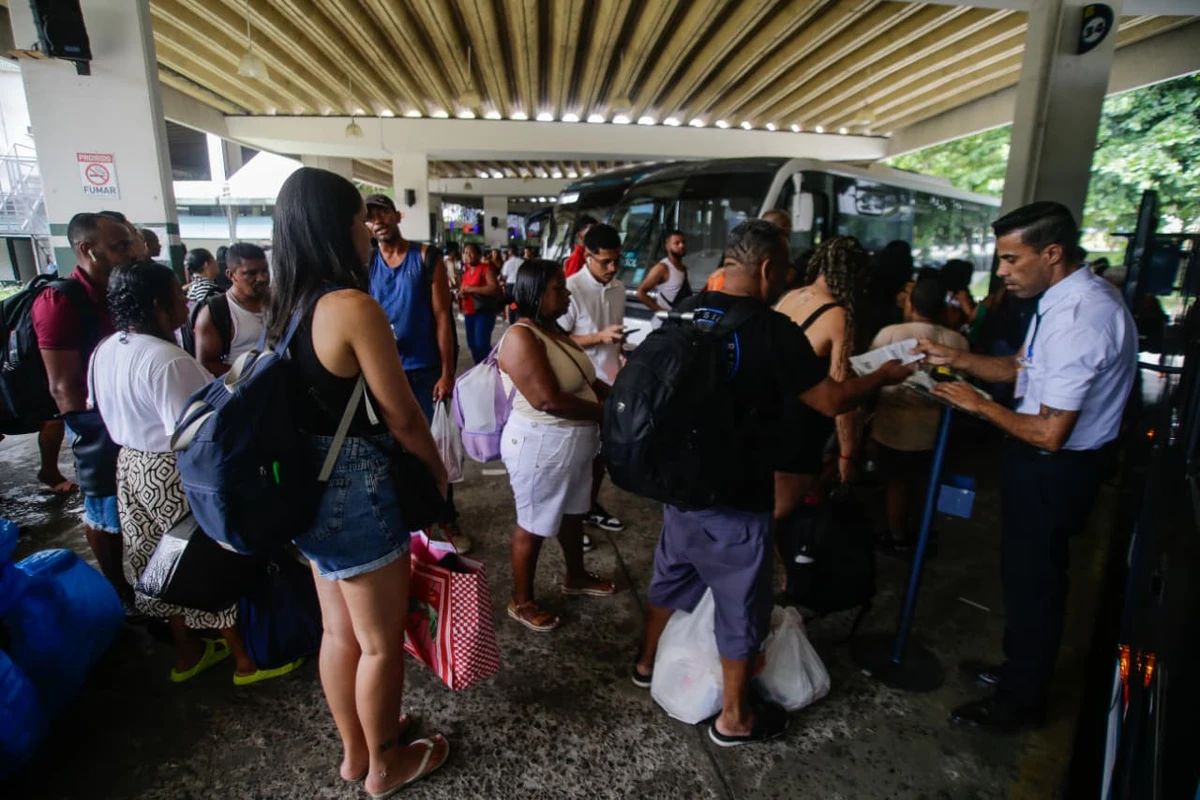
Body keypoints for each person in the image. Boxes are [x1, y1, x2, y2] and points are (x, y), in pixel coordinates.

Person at [631, 220, 910, 745]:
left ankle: (646, 663)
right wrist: (883, 377)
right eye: (783, 270)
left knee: (671, 578)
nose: (787, 279)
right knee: (741, 605)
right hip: (736, 493)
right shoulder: (768, 328)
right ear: (765, 269)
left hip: (678, 487)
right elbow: (830, 400)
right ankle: (735, 718)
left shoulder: (686, 308)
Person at [915, 201, 1136, 732]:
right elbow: (1021, 369)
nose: (1003, 272)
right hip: (1037, 463)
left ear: (1052, 253)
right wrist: (962, 361)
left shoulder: (1082, 319)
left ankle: (1021, 701)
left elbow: (1050, 431)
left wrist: (977, 404)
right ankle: (1018, 670)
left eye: (1012, 260)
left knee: (1036, 585)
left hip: (1054, 468)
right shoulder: (1062, 301)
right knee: (1022, 577)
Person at [272, 167, 451, 793]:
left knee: (339, 632)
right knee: (379, 645)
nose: (367, 232)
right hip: (355, 486)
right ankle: (384, 768)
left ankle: (355, 752)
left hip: (307, 486)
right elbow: (401, 413)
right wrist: (437, 470)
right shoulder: (352, 306)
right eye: (358, 220)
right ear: (337, 225)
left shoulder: (285, 303)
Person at [92, 260, 300, 685]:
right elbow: (198, 431)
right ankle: (247, 661)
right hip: (172, 468)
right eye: (177, 294)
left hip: (130, 464)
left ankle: (188, 653)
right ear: (157, 304)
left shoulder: (107, 348)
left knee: (157, 561)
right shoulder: (167, 360)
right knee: (206, 558)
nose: (186, 299)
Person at [497, 260, 617, 632]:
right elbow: (547, 400)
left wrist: (620, 403)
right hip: (540, 445)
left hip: (574, 445)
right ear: (534, 293)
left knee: (572, 514)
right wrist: (606, 414)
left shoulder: (554, 331)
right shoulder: (520, 337)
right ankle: (521, 600)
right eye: (558, 289)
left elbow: (587, 378)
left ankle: (575, 576)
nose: (566, 294)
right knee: (533, 524)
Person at [33, 212, 137, 603]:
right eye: (120, 246)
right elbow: (63, 387)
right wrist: (100, 437)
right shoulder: (60, 300)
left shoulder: (115, 292)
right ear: (87, 250)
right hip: (95, 423)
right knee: (104, 506)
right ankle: (117, 589)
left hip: (126, 415)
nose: (131, 253)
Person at [365, 193, 470, 553]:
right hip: (385, 369)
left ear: (397, 216)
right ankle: (409, 518)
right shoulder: (367, 263)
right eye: (370, 217)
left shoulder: (425, 257)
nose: (377, 221)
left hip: (425, 370)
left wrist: (447, 372)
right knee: (392, 445)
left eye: (383, 213)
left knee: (434, 447)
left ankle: (445, 516)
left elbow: (443, 316)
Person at [870, 275, 968, 552]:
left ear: (911, 304)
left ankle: (898, 536)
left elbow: (868, 377)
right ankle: (924, 530)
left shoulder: (889, 334)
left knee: (897, 485)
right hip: (935, 432)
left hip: (893, 428)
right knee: (928, 482)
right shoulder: (957, 341)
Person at [773, 236, 866, 523]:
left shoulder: (789, 297)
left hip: (765, 414)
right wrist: (848, 456)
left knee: (765, 513)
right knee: (779, 517)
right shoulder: (839, 317)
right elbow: (840, 398)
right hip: (799, 430)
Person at [558, 223, 628, 544]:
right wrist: (599, 337)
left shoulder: (618, 289)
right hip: (581, 386)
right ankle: (570, 522)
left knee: (601, 455)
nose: (612, 268)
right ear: (587, 256)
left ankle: (587, 507)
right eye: (605, 262)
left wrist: (622, 348)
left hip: (610, 384)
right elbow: (557, 340)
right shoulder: (570, 289)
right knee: (578, 458)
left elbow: (613, 335)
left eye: (617, 261)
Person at [193, 242, 269, 376]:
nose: (262, 278)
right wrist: (252, 375)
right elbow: (206, 364)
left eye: (264, 271)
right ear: (231, 275)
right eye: (251, 273)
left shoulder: (277, 302)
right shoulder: (215, 313)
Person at [459, 243, 504, 364]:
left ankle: (490, 368)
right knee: (472, 344)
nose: (467, 255)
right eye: (465, 252)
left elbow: (494, 288)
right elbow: (463, 288)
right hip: (469, 312)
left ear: (479, 255)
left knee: (481, 345)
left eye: (471, 252)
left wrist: (472, 289)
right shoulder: (466, 272)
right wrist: (461, 293)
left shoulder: (486, 268)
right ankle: (480, 368)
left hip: (483, 313)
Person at [636, 229, 690, 322]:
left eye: (683, 242)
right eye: (676, 243)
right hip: (663, 324)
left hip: (677, 322)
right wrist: (663, 313)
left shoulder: (683, 268)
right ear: (667, 246)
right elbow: (641, 293)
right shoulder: (662, 268)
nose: (682, 245)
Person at [501, 246, 525, 324]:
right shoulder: (522, 262)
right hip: (520, 284)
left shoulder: (507, 263)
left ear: (509, 253)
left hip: (510, 285)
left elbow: (504, 275)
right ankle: (519, 317)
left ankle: (512, 320)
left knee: (512, 303)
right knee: (520, 302)